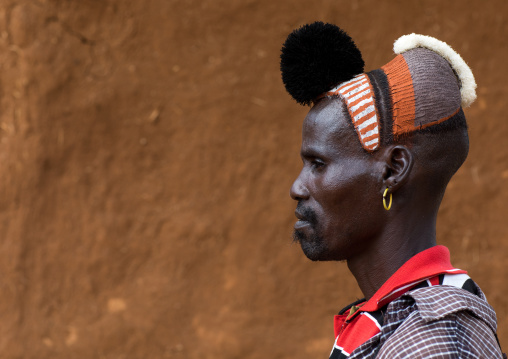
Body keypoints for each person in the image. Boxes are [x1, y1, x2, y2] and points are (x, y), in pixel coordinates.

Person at [280, 22, 505, 358]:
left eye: (319, 163)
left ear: (392, 170)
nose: (297, 187)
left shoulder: (436, 339)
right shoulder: (397, 318)